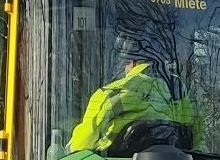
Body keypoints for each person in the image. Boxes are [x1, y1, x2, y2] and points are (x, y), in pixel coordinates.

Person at [68, 54, 198, 154]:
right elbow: (194, 132)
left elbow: (83, 142)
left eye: (125, 63)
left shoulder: (110, 92)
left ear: (133, 64)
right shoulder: (178, 94)